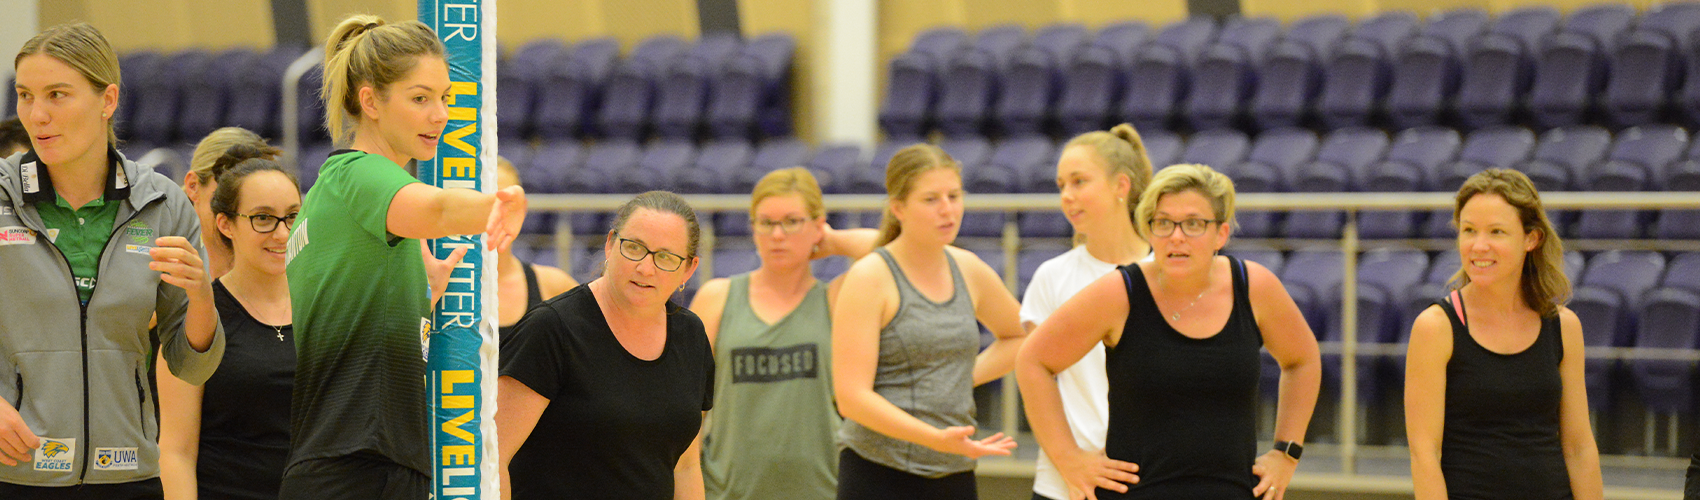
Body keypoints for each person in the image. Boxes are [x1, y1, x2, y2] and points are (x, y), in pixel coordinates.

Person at [281, 14, 525, 500]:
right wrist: (498, 204)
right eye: (420, 98)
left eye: (445, 98)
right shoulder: (360, 174)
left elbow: (353, 306)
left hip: (341, 463)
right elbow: (434, 208)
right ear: (369, 101)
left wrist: (420, 291)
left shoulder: (332, 196)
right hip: (359, 467)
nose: (440, 115)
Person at [0, 23, 225, 498]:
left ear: (108, 101)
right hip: (13, 473)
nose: (36, 115)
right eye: (24, 95)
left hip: (128, 475)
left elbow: (191, 366)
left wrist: (202, 294)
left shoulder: (161, 204)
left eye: (57, 95)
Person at [1016, 164, 1321, 500]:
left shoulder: (1254, 286)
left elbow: (1303, 360)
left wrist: (1286, 453)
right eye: (1163, 223)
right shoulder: (1119, 292)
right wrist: (1068, 459)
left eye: (1193, 224)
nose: (1177, 236)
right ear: (1149, 232)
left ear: (1220, 233)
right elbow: (1033, 361)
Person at [831, 144, 1027, 500]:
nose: (947, 210)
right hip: (878, 469)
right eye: (931, 199)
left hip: (953, 468)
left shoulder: (968, 268)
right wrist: (933, 436)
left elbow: (1020, 337)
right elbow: (851, 398)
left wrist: (960, 376)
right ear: (898, 208)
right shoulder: (870, 277)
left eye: (954, 196)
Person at [497, 191, 713, 500]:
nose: (645, 268)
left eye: (665, 257)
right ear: (611, 244)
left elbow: (685, 466)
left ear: (689, 270)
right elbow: (494, 455)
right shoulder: (552, 328)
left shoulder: (690, 334)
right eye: (635, 248)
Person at [1405, 168, 1603, 500]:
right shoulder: (1435, 327)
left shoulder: (1564, 326)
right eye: (1469, 230)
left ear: (1531, 239)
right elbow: (1424, 453)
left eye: (1496, 232)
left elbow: (1579, 448)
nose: (1478, 246)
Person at [688, 168, 878, 500]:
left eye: (792, 222)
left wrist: (833, 241)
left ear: (818, 224)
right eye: (766, 223)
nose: (777, 235)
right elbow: (687, 409)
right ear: (753, 228)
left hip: (823, 489)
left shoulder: (835, 299)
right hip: (728, 491)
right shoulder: (717, 297)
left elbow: (898, 256)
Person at [158, 148, 300, 500]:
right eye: (263, 218)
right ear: (226, 224)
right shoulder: (201, 314)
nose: (282, 234)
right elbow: (175, 451)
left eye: (292, 217)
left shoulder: (326, 308)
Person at [1023, 124, 1154, 500]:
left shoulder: (1166, 271)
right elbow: (1035, 380)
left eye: (1079, 181)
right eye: (1061, 184)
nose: (1067, 195)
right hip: (1067, 486)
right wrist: (1069, 460)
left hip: (1153, 480)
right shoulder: (1052, 276)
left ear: (1121, 186)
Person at [495, 156, 576, 339]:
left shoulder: (555, 286)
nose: (494, 213)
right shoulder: (437, 285)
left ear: (522, 209)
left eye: (506, 203)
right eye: (486, 201)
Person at [182, 127, 277, 278]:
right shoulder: (163, 264)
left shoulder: (285, 267)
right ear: (193, 187)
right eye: (228, 189)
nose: (243, 208)